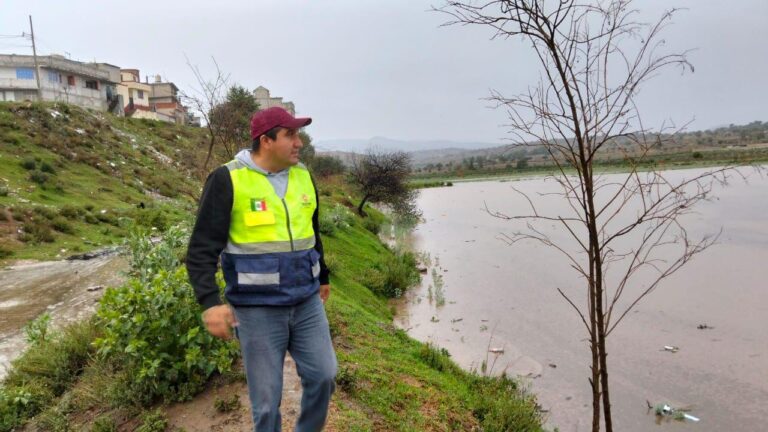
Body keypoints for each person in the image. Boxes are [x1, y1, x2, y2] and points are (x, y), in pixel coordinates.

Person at [186, 107, 337, 432]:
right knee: (266, 403)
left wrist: (322, 274)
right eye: (291, 135)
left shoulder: (303, 176)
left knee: (324, 375)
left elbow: (311, 232)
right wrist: (210, 302)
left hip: (306, 302)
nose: (299, 142)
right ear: (266, 140)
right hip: (257, 309)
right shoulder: (228, 179)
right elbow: (201, 249)